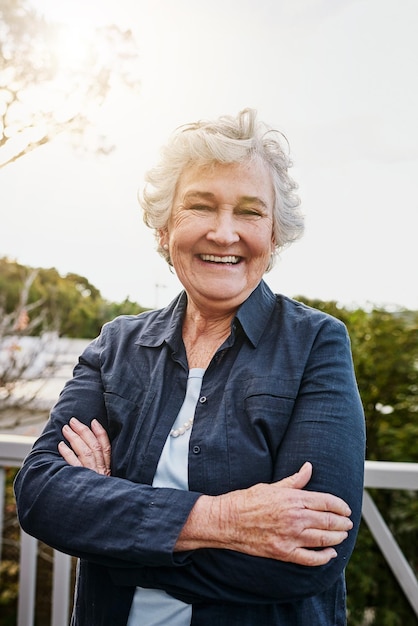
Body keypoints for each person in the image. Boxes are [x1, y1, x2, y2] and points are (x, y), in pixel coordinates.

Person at [14, 108, 365, 625]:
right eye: (201, 206)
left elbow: (311, 556)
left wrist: (110, 528)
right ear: (163, 228)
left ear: (274, 234)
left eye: (250, 212)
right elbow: (43, 494)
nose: (225, 234)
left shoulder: (316, 344)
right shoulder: (116, 344)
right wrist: (225, 519)